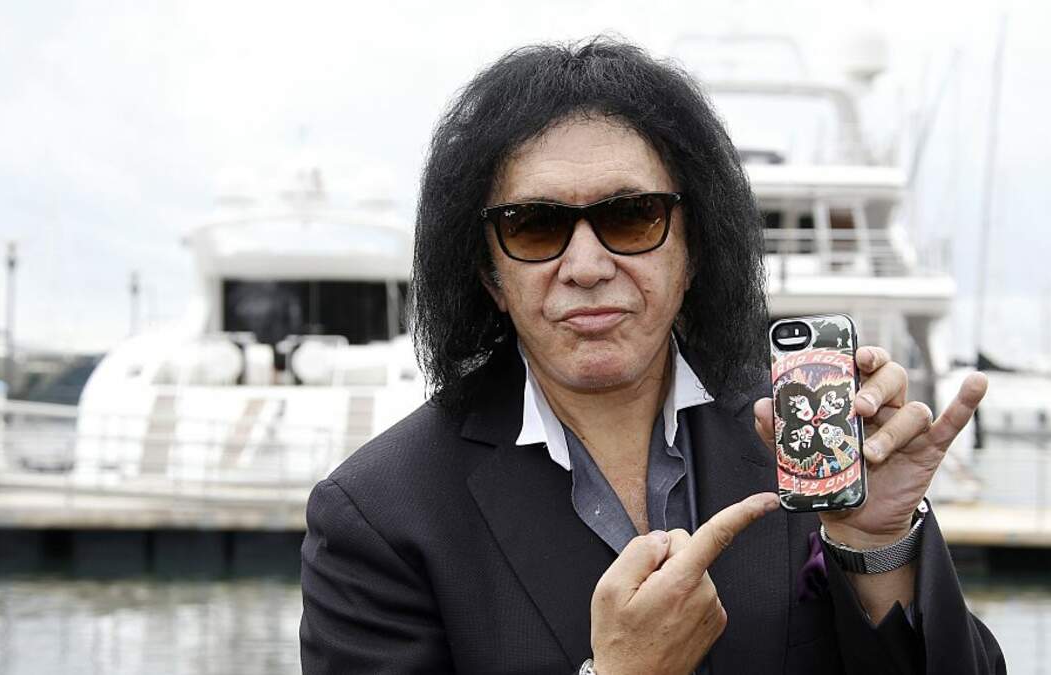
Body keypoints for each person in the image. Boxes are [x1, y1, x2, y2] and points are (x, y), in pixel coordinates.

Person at [299, 38, 1005, 675]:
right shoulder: (380, 515)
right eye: (535, 226)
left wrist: (875, 546)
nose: (585, 266)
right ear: (490, 275)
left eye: (631, 216)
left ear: (693, 249)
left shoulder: (802, 440)